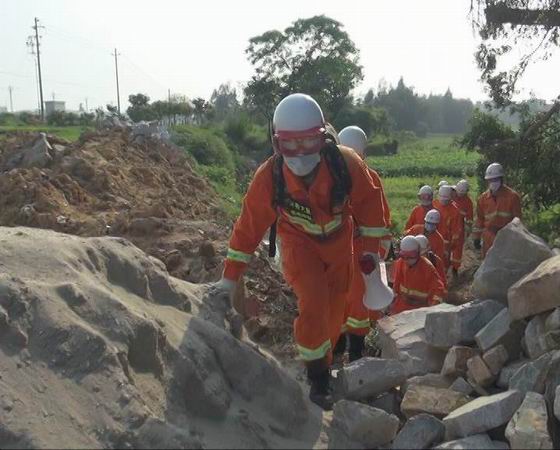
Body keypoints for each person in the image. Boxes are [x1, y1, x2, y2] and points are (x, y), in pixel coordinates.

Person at [217, 93, 388, 410]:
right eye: (290, 145)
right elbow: (247, 230)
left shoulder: (347, 165)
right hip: (298, 243)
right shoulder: (269, 178)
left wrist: (370, 255)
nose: (299, 154)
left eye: (309, 142)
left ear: (323, 137)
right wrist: (228, 280)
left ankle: (325, 356)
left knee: (335, 311)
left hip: (339, 245)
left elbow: (372, 211)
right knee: (312, 300)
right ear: (276, 143)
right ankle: (318, 378)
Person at [336, 125, 391, 361]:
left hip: (343, 250)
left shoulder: (327, 173)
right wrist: (379, 251)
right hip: (351, 250)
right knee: (352, 301)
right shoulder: (369, 176)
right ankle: (351, 353)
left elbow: (380, 220)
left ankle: (344, 352)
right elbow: (382, 220)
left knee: (344, 300)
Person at [473, 163, 522, 257]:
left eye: (495, 179)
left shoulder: (512, 197)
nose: (493, 182)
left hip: (507, 237)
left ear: (501, 179)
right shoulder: (482, 199)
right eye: (491, 180)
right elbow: (479, 220)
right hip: (489, 238)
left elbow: (518, 221)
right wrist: (477, 237)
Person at [390, 236, 445, 315]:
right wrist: (393, 301)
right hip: (401, 306)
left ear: (418, 253)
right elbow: (396, 284)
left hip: (420, 309)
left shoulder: (427, 268)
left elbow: (438, 290)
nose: (407, 260)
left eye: (410, 257)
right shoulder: (400, 263)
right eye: (404, 257)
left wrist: (433, 309)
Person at [433, 185, 464, 275]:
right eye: (442, 198)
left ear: (450, 197)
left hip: (445, 242)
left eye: (445, 198)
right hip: (432, 238)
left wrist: (453, 243)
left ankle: (442, 282)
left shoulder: (455, 211)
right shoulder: (434, 204)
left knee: (443, 264)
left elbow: (456, 230)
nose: (443, 200)